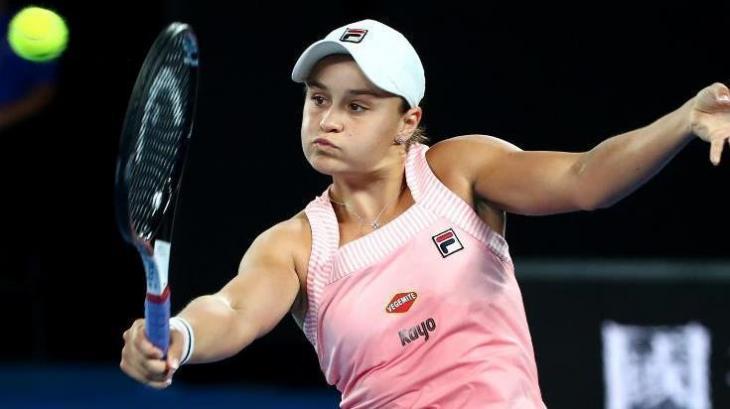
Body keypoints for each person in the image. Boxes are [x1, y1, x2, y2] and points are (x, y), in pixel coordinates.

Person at [120, 19, 729, 408]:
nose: (328, 120)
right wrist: (181, 336)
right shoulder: (294, 245)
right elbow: (233, 310)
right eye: (318, 99)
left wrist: (683, 121)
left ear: (406, 121)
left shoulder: (459, 172)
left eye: (357, 106)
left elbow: (585, 179)